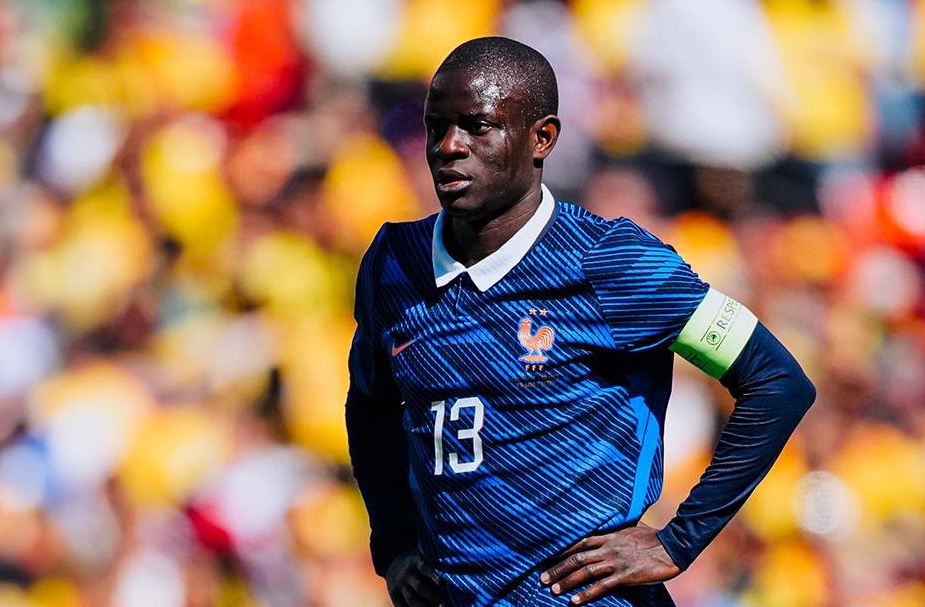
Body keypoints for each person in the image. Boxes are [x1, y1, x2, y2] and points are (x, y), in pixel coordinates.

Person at [345, 37, 816, 607]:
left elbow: (777, 381)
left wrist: (679, 541)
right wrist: (394, 544)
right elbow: (369, 404)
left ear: (542, 138)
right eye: (436, 127)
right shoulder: (394, 263)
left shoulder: (611, 260)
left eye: (477, 127)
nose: (450, 146)